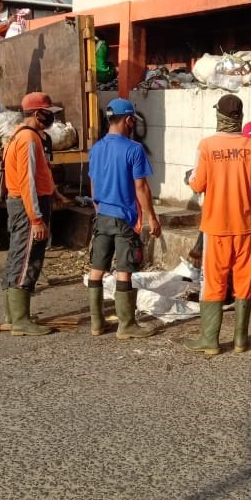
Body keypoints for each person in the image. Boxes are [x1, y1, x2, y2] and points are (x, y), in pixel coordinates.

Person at [185, 94, 251, 355]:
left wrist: (190, 178)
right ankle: (241, 341)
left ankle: (210, 340)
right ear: (239, 116)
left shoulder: (207, 145)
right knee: (244, 281)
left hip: (216, 225)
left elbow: (198, 184)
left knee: (214, 280)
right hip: (246, 225)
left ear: (218, 115)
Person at [85, 98, 162, 339]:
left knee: (97, 270)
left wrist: (99, 208)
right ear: (128, 120)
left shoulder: (96, 148)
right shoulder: (133, 149)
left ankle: (97, 324)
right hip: (124, 218)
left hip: (102, 216)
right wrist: (152, 217)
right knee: (124, 270)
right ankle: (126, 325)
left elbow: (93, 184)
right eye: (132, 121)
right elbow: (141, 188)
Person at [0, 92, 70, 336]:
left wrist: (55, 192)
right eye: (48, 112)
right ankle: (20, 320)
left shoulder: (21, 135)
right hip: (28, 205)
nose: (52, 117)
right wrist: (36, 219)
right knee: (27, 258)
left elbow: (40, 173)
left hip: (25, 203)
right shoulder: (28, 139)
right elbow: (27, 181)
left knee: (18, 255)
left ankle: (14, 314)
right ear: (37, 114)